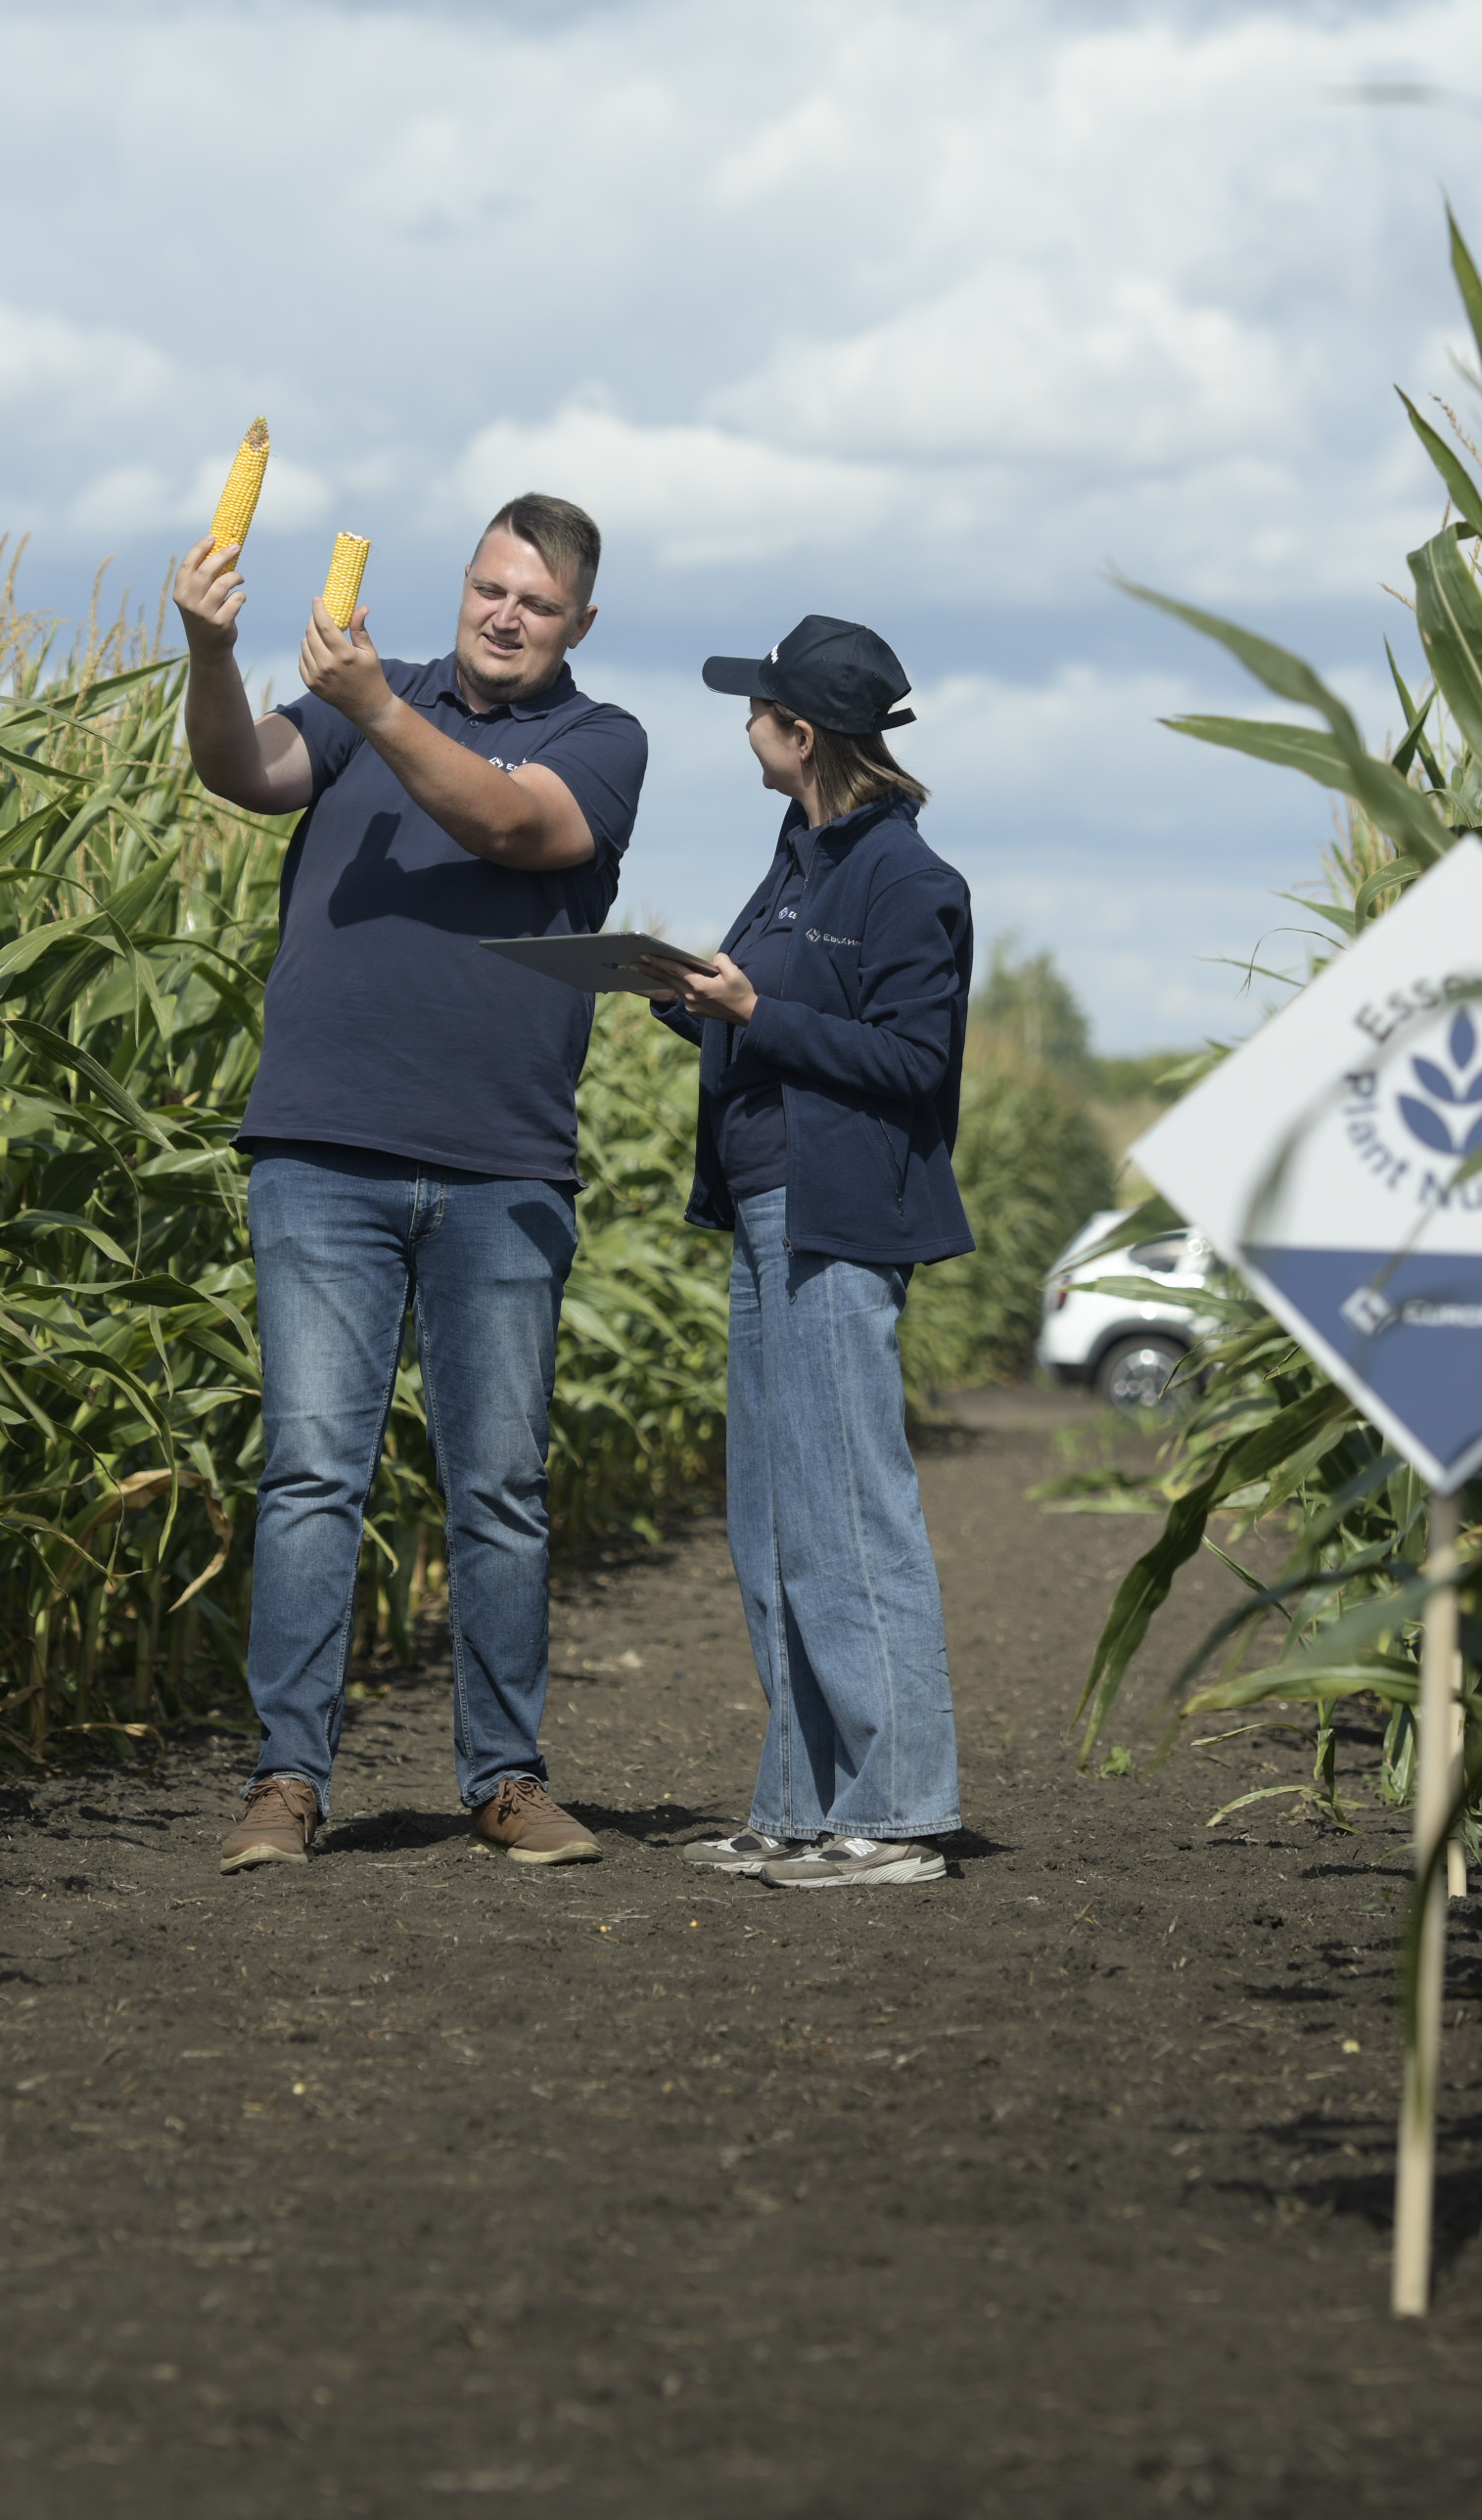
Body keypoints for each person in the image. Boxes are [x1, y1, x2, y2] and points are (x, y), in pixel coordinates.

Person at [169, 493, 646, 1874]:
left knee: (496, 1487)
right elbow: (246, 775)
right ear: (466, 584)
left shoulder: (596, 741)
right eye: (491, 588)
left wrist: (372, 701)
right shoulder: (362, 697)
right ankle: (283, 1784)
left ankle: (502, 1779)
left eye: (537, 605)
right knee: (314, 1475)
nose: (505, 616)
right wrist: (211, 653)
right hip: (321, 1150)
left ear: (579, 625)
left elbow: (509, 826)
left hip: (502, 1168)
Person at [647, 617, 973, 1888]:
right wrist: (703, 1010)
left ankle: (896, 1816)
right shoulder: (796, 858)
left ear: (803, 735)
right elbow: (777, 1024)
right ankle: (798, 1802)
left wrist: (756, 1011)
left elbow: (909, 1063)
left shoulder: (904, 879)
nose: (743, 727)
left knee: (847, 1511)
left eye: (757, 711)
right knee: (775, 1519)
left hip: (840, 1216)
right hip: (764, 1205)